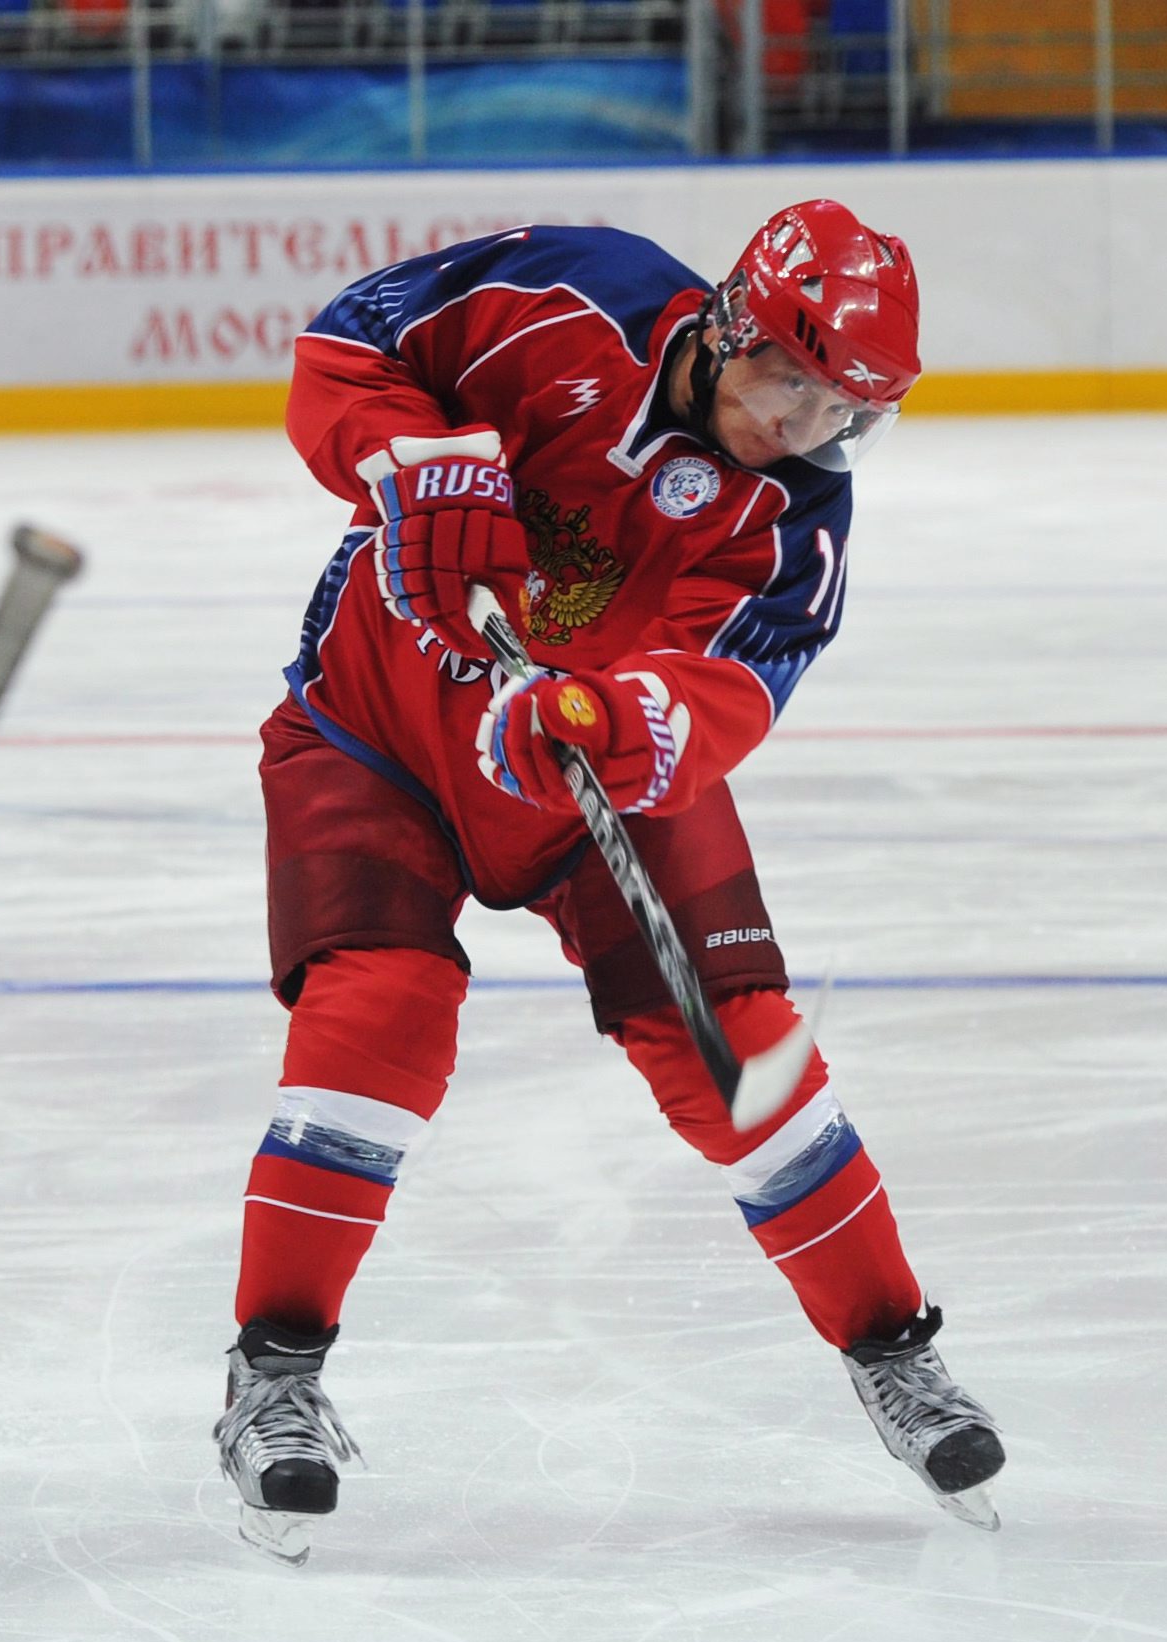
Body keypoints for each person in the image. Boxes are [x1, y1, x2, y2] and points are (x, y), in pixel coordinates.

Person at [214, 203, 1006, 1563]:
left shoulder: (798, 515)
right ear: (728, 324)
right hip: (373, 733)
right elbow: (345, 347)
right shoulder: (568, 291)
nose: (809, 427)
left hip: (594, 784)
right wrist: (416, 463)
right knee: (377, 1017)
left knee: (743, 1054)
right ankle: (274, 1375)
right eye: (793, 382)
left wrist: (623, 724)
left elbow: (733, 687)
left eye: (845, 411)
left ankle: (892, 1348)